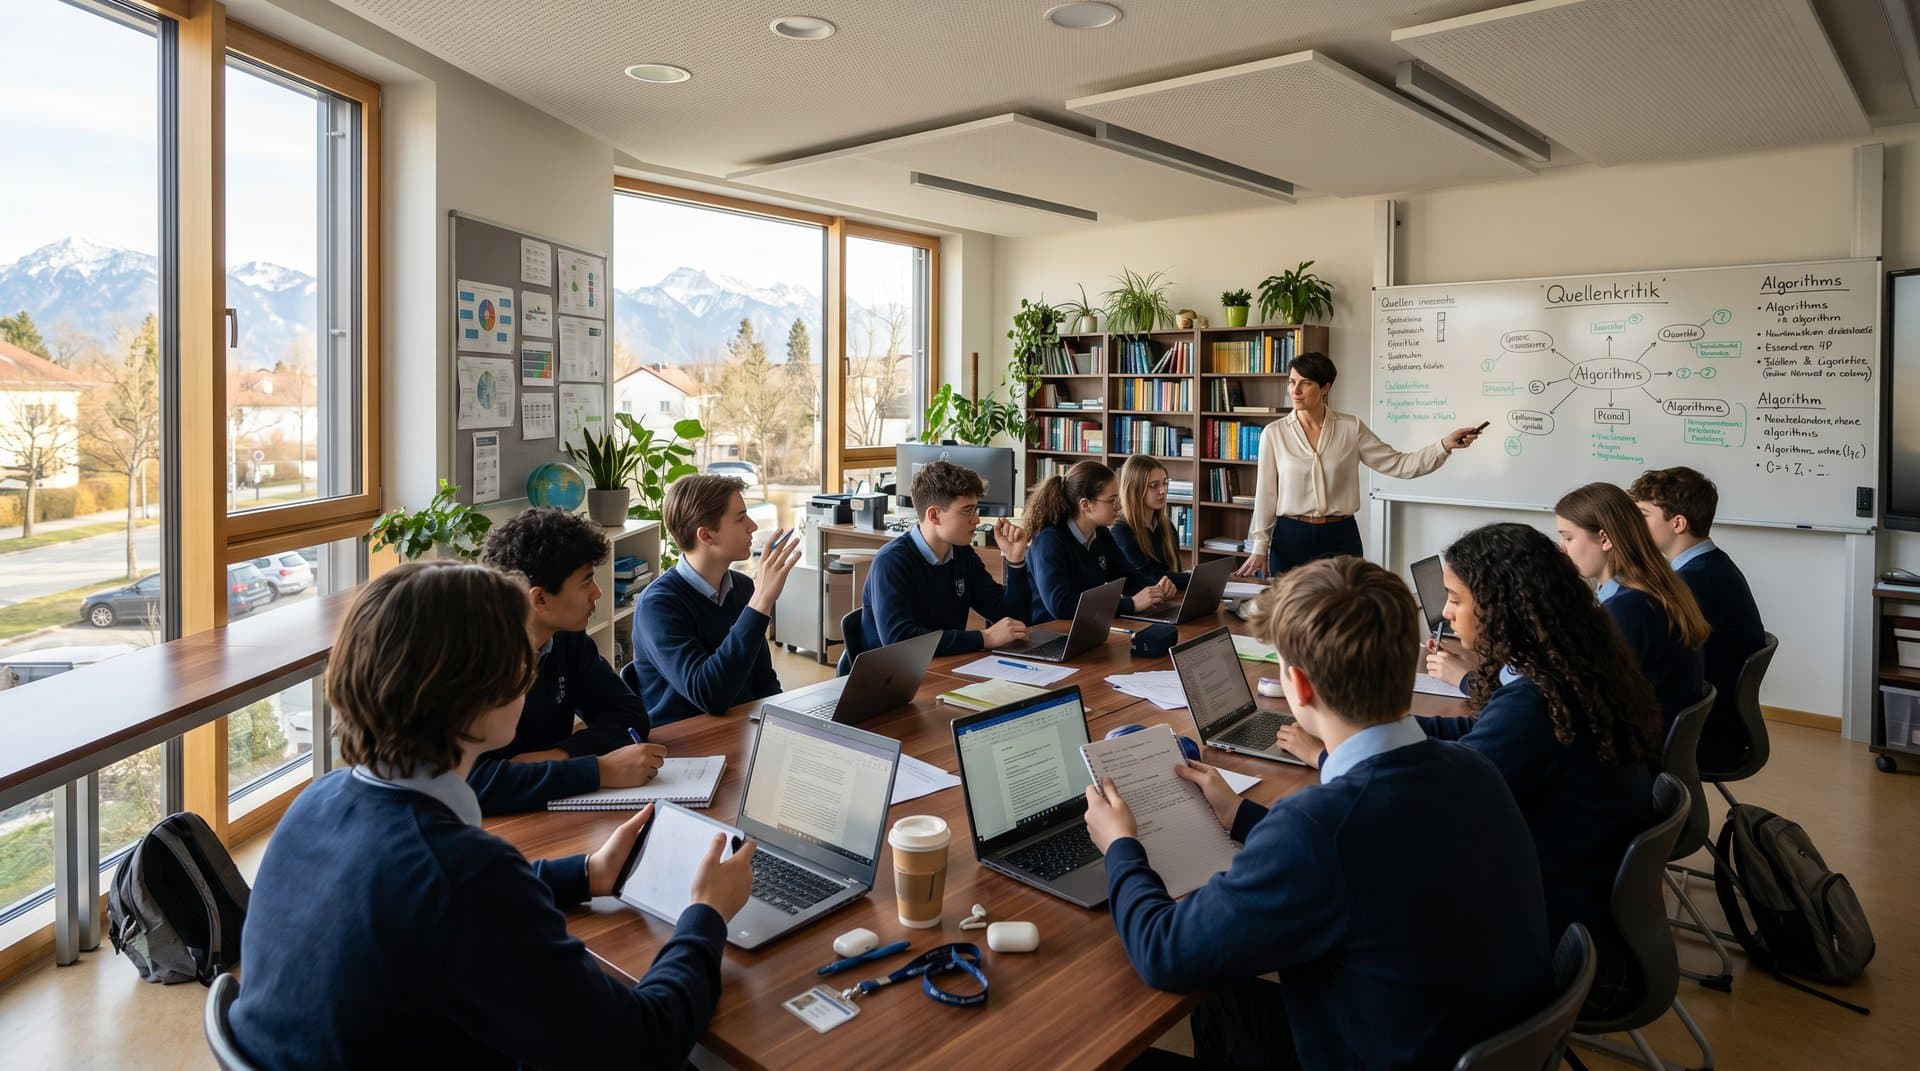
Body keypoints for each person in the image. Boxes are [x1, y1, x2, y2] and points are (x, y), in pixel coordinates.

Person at [229, 561, 757, 1069]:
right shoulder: (463, 873)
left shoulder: (316, 802)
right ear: (479, 690)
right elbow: (644, 1045)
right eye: (521, 658)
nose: (530, 673)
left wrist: (583, 873)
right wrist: (705, 915)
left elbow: (430, 899)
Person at [1083, 556, 1552, 1070]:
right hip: (1467, 1041)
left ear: (1300, 687)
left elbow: (1164, 953)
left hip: (1380, 1053)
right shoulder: (1475, 769)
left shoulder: (1316, 827)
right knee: (1228, 995)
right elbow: (1364, 853)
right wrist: (1241, 815)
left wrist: (1121, 845)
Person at [1344, 523, 1654, 969]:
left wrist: (1333, 754)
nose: (1446, 613)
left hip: (1545, 923)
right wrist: (1378, 730)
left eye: (1455, 599)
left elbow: (1435, 802)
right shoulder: (1570, 668)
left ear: (1500, 605)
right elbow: (1475, 735)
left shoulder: (1535, 704)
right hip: (1579, 893)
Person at [467, 507, 666, 814]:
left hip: (551, 808)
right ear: (540, 599)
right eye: (586, 582)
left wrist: (560, 755)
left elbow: (629, 713)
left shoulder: (566, 638)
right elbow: (473, 782)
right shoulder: (471, 659)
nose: (597, 593)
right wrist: (598, 770)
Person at [1235, 352, 1483, 578]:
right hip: (1291, 536)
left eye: (1305, 383)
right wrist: (1260, 546)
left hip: (1340, 536)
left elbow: (1399, 464)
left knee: (1346, 607)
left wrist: (1444, 445)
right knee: (1291, 610)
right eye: (1291, 382)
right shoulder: (1274, 433)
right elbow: (1266, 495)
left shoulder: (1350, 428)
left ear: (1326, 387)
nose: (1295, 390)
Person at [629, 475, 802, 723]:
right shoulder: (657, 606)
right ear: (707, 536)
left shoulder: (741, 587)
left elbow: (764, 681)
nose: (752, 526)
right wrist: (761, 601)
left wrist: (785, 726)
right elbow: (710, 695)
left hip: (739, 729)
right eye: (740, 518)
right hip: (686, 739)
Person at [1629, 466, 1768, 766]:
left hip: (1703, 731)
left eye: (1643, 515)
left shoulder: (1692, 583)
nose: (1634, 525)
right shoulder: (1712, 564)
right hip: (1714, 718)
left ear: (1678, 523)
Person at [1555, 482, 1709, 735]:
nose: (1562, 547)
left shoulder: (1628, 608)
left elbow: (1589, 694)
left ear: (1605, 539)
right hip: (1657, 733)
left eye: (1568, 537)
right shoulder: (1654, 587)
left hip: (1638, 743)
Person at [859, 459, 1032, 660]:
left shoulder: (962, 554)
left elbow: (1015, 620)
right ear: (934, 515)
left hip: (942, 666)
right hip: (892, 673)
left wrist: (1015, 560)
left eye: (976, 510)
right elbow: (898, 640)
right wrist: (984, 638)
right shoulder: (891, 562)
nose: (976, 519)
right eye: (967, 510)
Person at [1024, 460, 1176, 623]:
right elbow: (1060, 605)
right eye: (1112, 500)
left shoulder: (1101, 532)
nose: (1119, 507)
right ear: (1086, 505)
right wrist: (1130, 604)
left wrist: (1157, 588)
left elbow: (1128, 577)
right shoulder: (1049, 540)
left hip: (1087, 624)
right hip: (1049, 629)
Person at [1111, 454, 1191, 590]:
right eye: (1154, 486)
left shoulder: (1167, 526)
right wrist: (1194, 578)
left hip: (1170, 597)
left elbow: (1174, 574)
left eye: (1165, 483)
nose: (1163, 491)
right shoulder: (1121, 531)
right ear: (1134, 490)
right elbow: (1147, 577)